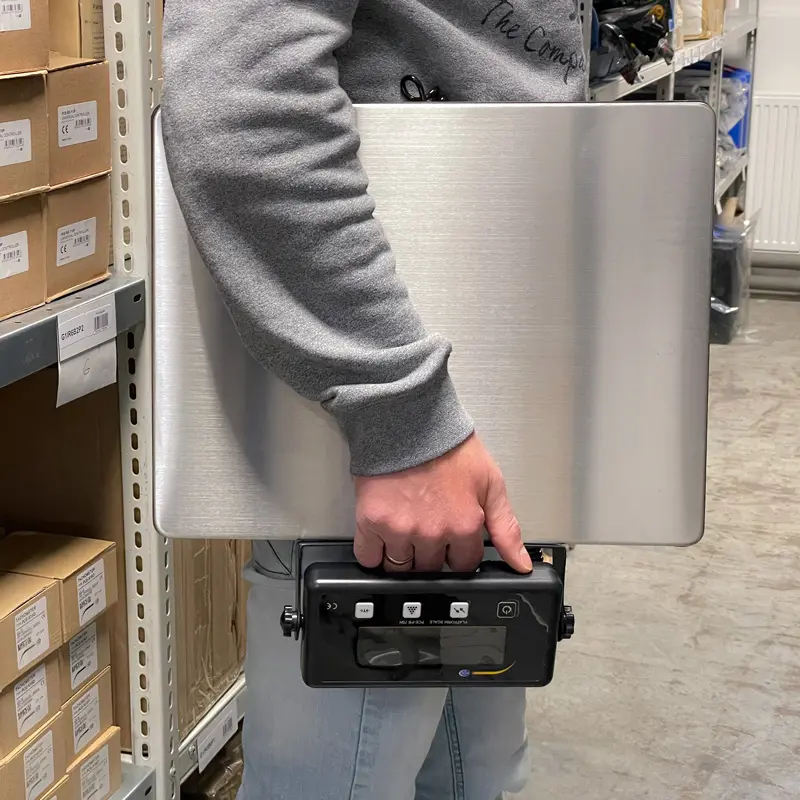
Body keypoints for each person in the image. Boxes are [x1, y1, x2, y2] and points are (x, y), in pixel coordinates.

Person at [162, 2, 585, 797]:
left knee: (475, 777)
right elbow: (240, 103)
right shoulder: (400, 418)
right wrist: (403, 416)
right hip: (385, 452)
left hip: (477, 425)